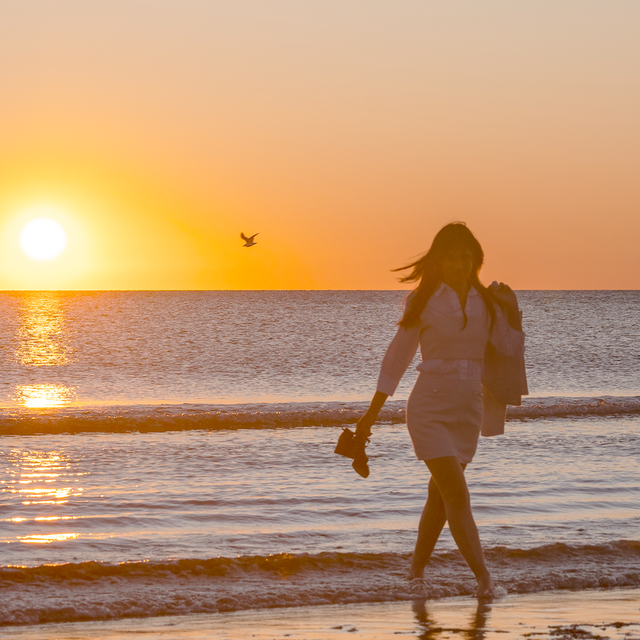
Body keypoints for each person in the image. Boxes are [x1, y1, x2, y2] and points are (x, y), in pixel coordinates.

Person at [354, 222, 524, 599]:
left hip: (468, 408)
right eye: (451, 256)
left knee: (441, 496)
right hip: (429, 406)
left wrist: (514, 311)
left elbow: (508, 348)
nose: (459, 264)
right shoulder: (424, 300)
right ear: (439, 260)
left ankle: (415, 569)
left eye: (466, 257)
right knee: (457, 495)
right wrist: (370, 416)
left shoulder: (487, 304)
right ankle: (484, 579)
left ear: (475, 260)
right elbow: (395, 360)